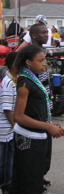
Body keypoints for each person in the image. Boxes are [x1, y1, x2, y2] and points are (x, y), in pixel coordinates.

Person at [11, 46, 63, 194]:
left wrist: (50, 125)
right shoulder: (24, 83)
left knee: (36, 176)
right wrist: (47, 127)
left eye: (44, 60)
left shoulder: (33, 79)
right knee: (29, 180)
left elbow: (36, 109)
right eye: (39, 61)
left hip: (39, 136)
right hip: (29, 139)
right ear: (28, 62)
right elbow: (18, 116)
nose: (43, 64)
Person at [0, 52, 18, 194]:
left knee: (10, 161)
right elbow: (7, 109)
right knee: (6, 162)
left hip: (10, 131)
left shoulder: (14, 80)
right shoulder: (8, 82)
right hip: (5, 131)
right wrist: (15, 126)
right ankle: (6, 187)